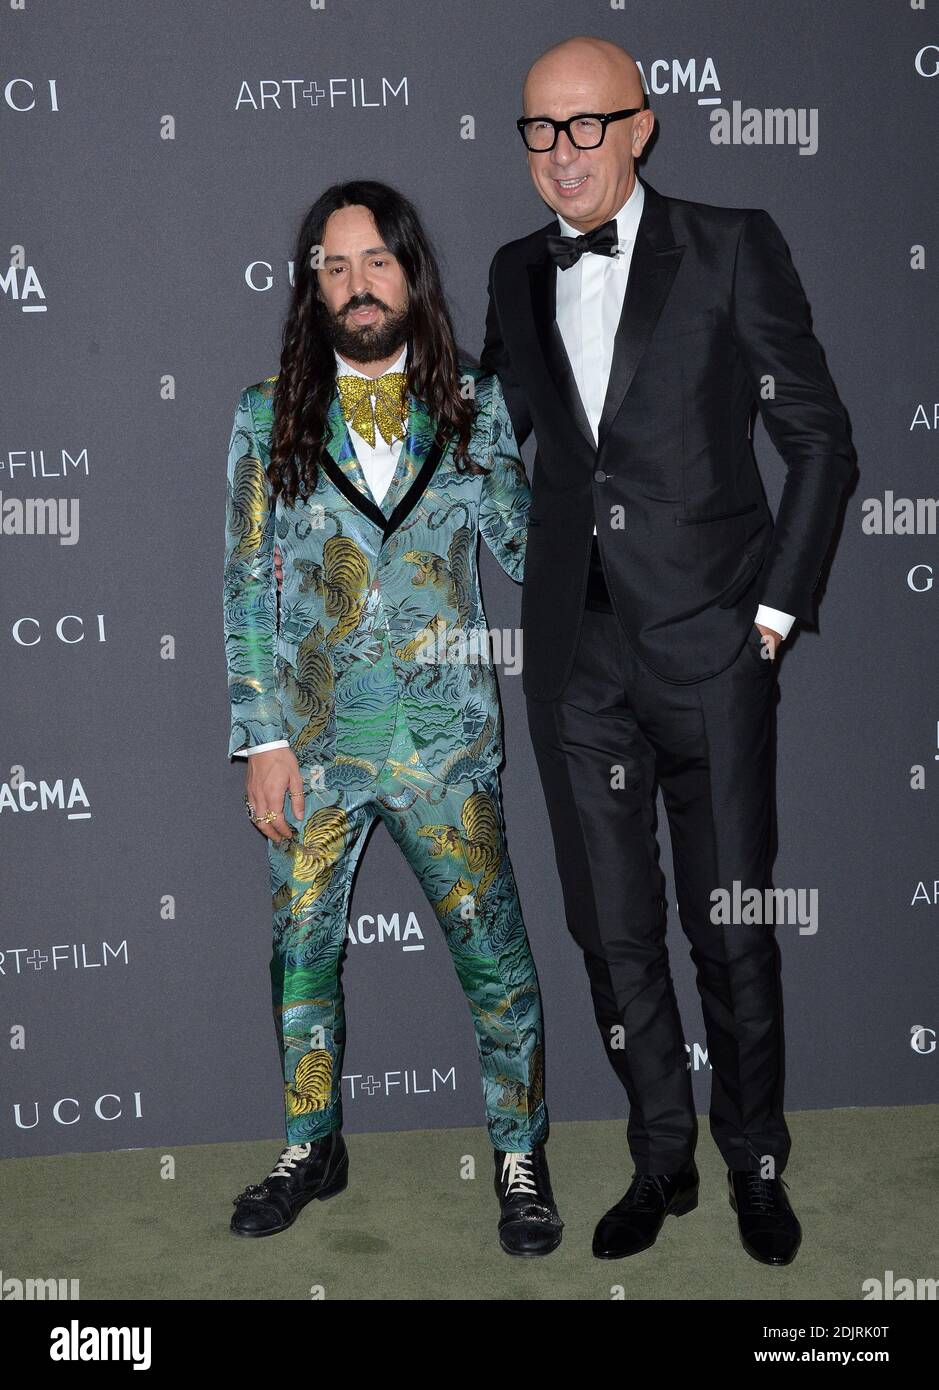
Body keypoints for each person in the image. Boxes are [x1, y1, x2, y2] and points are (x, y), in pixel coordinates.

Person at [481, 37, 856, 1265]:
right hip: (577, 658)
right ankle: (661, 1158)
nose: (561, 155)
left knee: (731, 925)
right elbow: (493, 443)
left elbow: (819, 441)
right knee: (610, 929)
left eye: (586, 126)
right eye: (540, 130)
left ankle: (754, 1160)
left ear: (642, 127)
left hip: (711, 650)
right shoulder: (511, 273)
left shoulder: (732, 242)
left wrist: (773, 616)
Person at [223, 180, 562, 1255]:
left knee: (495, 956)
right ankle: (309, 1142)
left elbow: (530, 553)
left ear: (411, 273)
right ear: (311, 284)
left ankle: (519, 1151)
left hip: (446, 748)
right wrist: (262, 738)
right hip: (314, 750)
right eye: (332, 264)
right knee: (302, 958)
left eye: (374, 262)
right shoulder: (261, 409)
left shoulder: (476, 405)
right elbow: (245, 588)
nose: (355, 285)